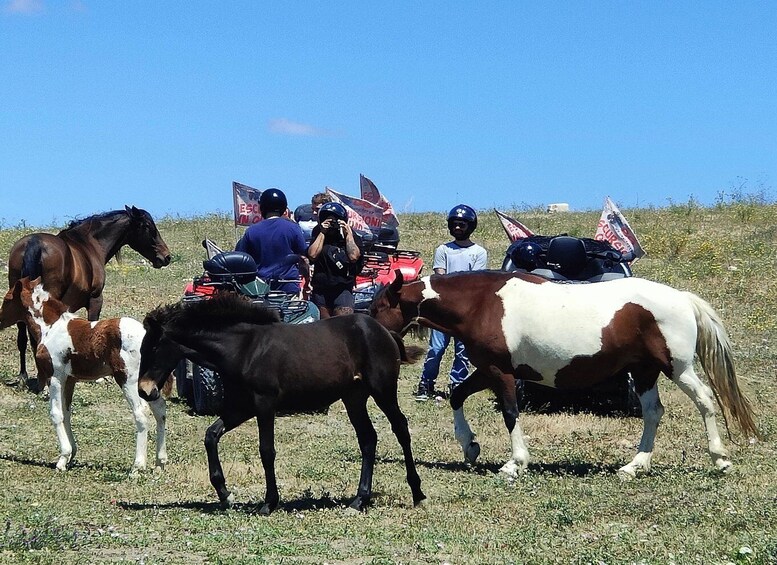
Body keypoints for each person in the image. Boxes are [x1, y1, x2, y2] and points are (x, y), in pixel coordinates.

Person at [415, 204, 488, 401]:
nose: (458, 228)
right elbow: (440, 279)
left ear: (470, 227)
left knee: (463, 351)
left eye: (462, 225)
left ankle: (458, 383)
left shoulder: (478, 252)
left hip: (466, 311)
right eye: (455, 224)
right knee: (436, 349)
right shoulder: (443, 250)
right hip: (442, 309)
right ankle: (426, 383)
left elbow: (475, 281)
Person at [235, 188, 307, 295]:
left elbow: (241, 260)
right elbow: (304, 255)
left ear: (262, 207)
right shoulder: (293, 228)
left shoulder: (252, 231)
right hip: (288, 287)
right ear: (283, 207)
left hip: (260, 289)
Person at [307, 201, 363, 318]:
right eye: (328, 220)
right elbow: (312, 255)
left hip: (342, 289)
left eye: (334, 220)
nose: (332, 223)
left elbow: (353, 257)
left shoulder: (351, 235)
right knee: (323, 327)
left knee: (343, 326)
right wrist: (322, 232)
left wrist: (348, 235)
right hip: (321, 290)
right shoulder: (318, 232)